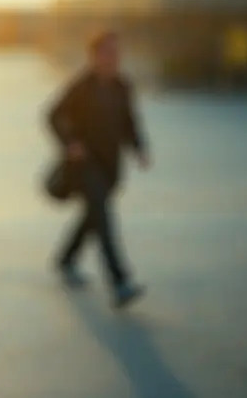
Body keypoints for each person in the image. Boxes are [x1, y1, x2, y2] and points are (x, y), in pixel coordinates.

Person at [47, 30, 150, 309]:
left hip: (110, 167)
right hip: (85, 166)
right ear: (94, 56)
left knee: (93, 216)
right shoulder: (81, 87)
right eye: (107, 53)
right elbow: (53, 114)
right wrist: (70, 143)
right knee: (104, 220)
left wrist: (140, 148)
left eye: (117, 53)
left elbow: (130, 121)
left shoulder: (122, 86)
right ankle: (120, 282)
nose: (114, 58)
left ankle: (66, 259)